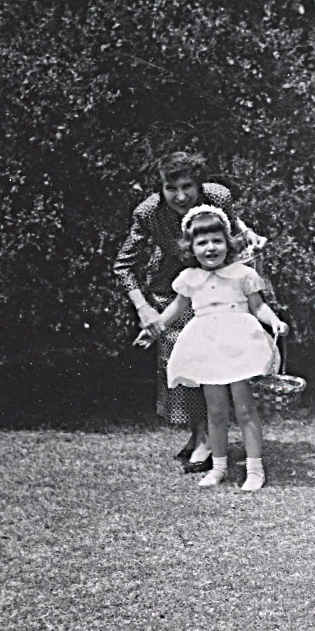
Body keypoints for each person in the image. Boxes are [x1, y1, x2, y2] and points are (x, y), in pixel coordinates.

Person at [114, 151, 264, 473]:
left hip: (218, 287)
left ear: (200, 184)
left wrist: (245, 231)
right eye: (171, 188)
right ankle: (201, 436)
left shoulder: (218, 196)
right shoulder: (148, 212)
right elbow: (123, 265)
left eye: (188, 186)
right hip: (173, 286)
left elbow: (230, 231)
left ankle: (209, 440)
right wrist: (143, 309)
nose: (180, 196)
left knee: (221, 360)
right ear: (160, 189)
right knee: (187, 362)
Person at [134, 205, 288, 492]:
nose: (210, 248)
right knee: (215, 412)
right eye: (202, 242)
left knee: (244, 409)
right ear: (191, 247)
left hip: (239, 344)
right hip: (207, 345)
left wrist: (275, 321)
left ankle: (255, 469)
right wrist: (154, 330)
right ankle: (218, 467)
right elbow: (175, 309)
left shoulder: (242, 274)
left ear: (227, 243)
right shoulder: (189, 278)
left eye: (217, 240)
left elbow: (259, 306)